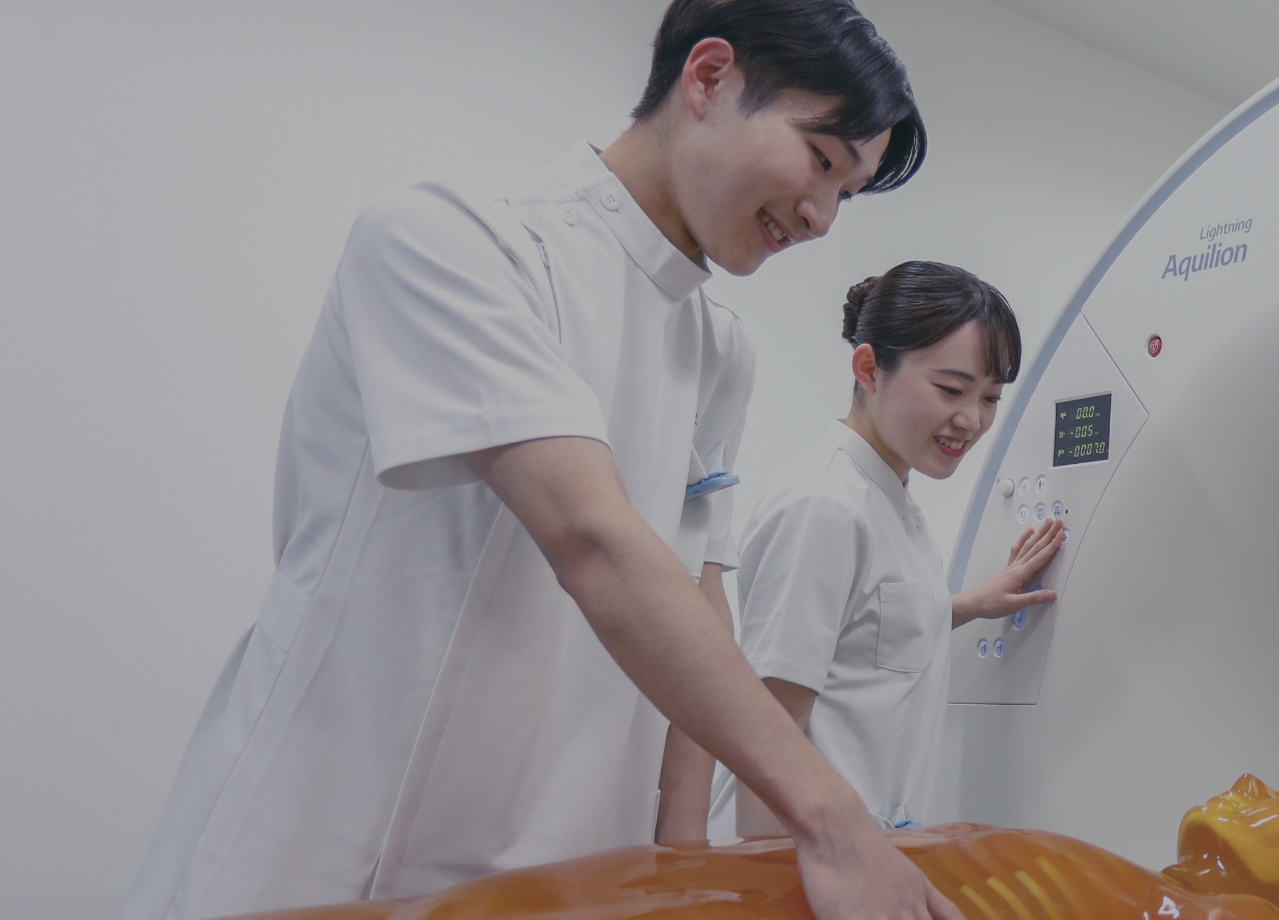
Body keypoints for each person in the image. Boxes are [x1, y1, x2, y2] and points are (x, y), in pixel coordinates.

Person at [122, 2, 965, 919]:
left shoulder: (719, 349)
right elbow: (591, 538)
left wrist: (688, 866)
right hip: (325, 845)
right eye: (822, 160)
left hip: (559, 863)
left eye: (849, 192)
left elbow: (699, 595)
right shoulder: (460, 237)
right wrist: (829, 815)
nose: (821, 216)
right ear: (709, 77)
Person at [654, 262, 1062, 844]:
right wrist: (780, 883)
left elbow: (861, 631)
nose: (972, 420)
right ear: (869, 368)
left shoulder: (889, 498)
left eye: (991, 398)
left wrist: (968, 605)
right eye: (951, 390)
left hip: (851, 853)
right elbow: (770, 735)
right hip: (793, 856)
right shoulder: (825, 506)